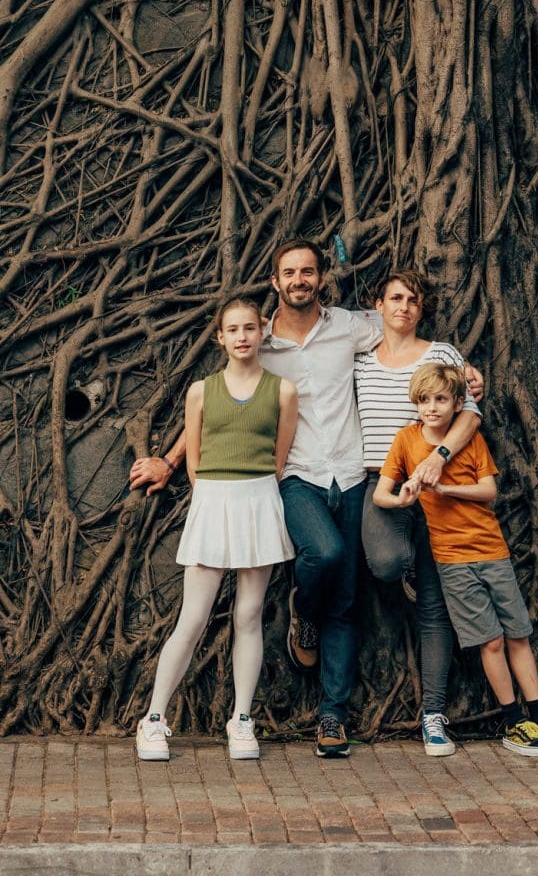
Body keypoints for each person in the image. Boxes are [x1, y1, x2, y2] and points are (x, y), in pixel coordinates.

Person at [131, 239, 382, 760]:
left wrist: (456, 369)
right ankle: (154, 717)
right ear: (275, 282)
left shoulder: (348, 328)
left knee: (281, 606)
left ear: (320, 277)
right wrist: (171, 463)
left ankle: (263, 719)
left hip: (317, 480)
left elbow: (401, 333)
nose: (299, 279)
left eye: (308, 271)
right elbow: (210, 423)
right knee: (197, 614)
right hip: (255, 491)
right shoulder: (254, 347)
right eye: (289, 272)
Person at [373, 362, 538, 758]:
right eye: (424, 400)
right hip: (451, 560)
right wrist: (402, 497)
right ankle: (513, 721)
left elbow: (489, 491)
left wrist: (445, 487)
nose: (431, 408)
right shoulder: (406, 441)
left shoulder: (470, 441)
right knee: (491, 641)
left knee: (518, 633)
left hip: (492, 551)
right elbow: (380, 494)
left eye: (440, 400)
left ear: (457, 404)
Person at [135, 295, 298, 763]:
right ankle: (153, 719)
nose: (243, 337)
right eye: (234, 329)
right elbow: (196, 462)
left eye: (250, 327)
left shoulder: (283, 390)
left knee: (249, 615)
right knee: (193, 617)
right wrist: (214, 492)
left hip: (260, 500)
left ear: (263, 331)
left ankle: (242, 719)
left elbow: (279, 456)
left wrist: (256, 489)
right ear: (220, 337)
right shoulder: (202, 391)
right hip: (213, 501)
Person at [355, 270, 483, 757]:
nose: (404, 306)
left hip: (441, 486)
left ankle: (433, 714)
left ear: (421, 309)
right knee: (386, 562)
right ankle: (408, 566)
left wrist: (438, 458)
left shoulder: (442, 353)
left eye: (412, 300)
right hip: (382, 481)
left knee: (436, 608)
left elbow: (470, 413)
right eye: (395, 298)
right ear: (378, 306)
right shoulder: (361, 359)